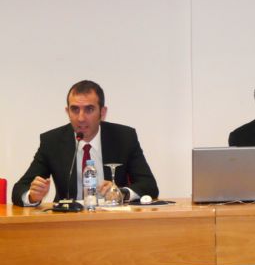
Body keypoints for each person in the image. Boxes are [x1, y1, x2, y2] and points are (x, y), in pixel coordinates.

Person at [12, 80, 158, 206]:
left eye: (89, 109)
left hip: (112, 219)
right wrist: (32, 196)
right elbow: (19, 190)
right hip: (67, 221)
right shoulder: (52, 141)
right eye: (75, 109)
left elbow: (149, 186)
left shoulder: (124, 137)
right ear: (67, 112)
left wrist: (121, 193)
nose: (81, 118)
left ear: (102, 112)